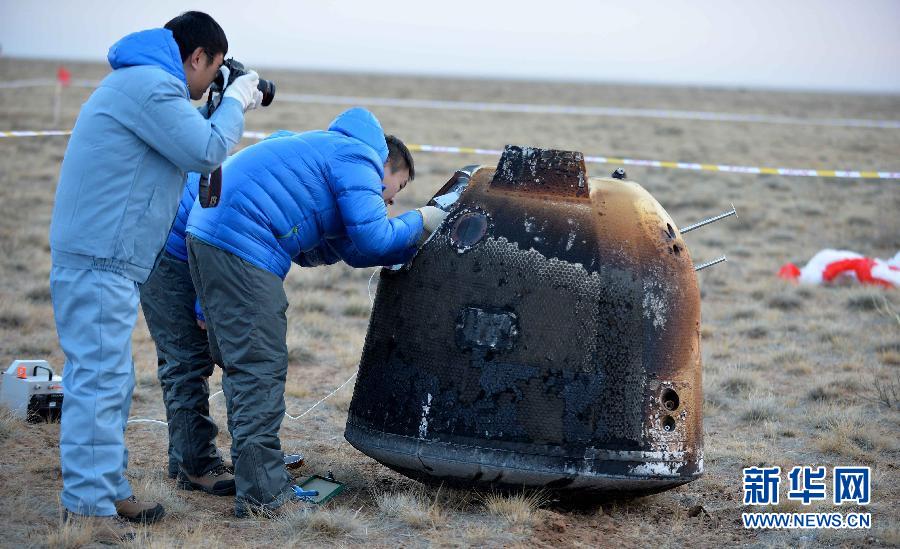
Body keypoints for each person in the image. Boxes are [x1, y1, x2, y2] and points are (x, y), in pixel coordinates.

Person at [48, 11, 262, 542]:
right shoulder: (152, 87)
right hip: (100, 258)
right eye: (213, 72)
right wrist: (235, 100)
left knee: (111, 379)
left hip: (106, 256)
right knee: (98, 380)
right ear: (197, 58)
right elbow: (207, 150)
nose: (210, 84)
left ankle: (107, 487)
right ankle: (88, 507)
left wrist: (220, 99)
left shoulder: (140, 82)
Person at [185, 108, 448, 516]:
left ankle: (255, 475)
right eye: (394, 189)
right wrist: (422, 221)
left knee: (243, 367)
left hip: (210, 234)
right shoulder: (360, 158)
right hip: (244, 245)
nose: (392, 200)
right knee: (259, 369)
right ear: (387, 166)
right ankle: (264, 495)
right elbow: (374, 237)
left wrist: (408, 244)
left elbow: (350, 246)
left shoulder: (330, 151)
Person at [138, 173, 236, 496]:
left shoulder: (247, 177)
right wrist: (202, 307)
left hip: (162, 242)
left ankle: (182, 458)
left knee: (181, 357)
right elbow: (209, 243)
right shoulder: (247, 193)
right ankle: (197, 465)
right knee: (187, 360)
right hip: (169, 253)